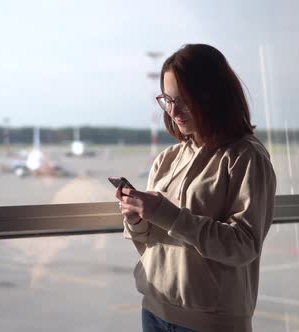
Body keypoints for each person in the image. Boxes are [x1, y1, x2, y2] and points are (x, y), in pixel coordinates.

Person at [115, 44, 277, 332]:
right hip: (153, 310)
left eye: (184, 100)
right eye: (167, 99)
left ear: (213, 96)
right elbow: (151, 244)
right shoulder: (167, 159)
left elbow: (243, 245)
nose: (174, 110)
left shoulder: (245, 156)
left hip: (210, 322)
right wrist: (137, 220)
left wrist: (168, 215)